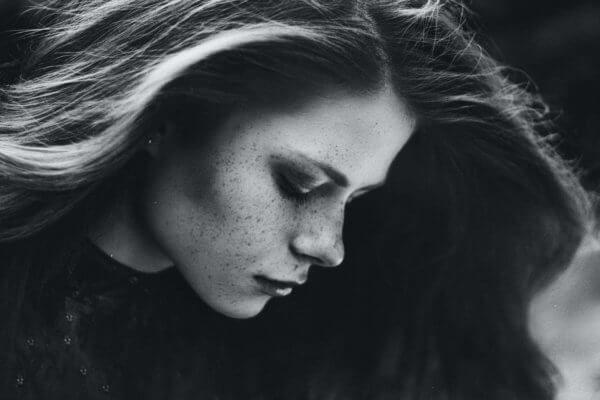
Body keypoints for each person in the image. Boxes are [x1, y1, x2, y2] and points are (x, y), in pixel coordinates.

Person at [0, 0, 593, 399]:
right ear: (168, 117)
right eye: (297, 183)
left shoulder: (296, 351)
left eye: (354, 200)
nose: (329, 247)